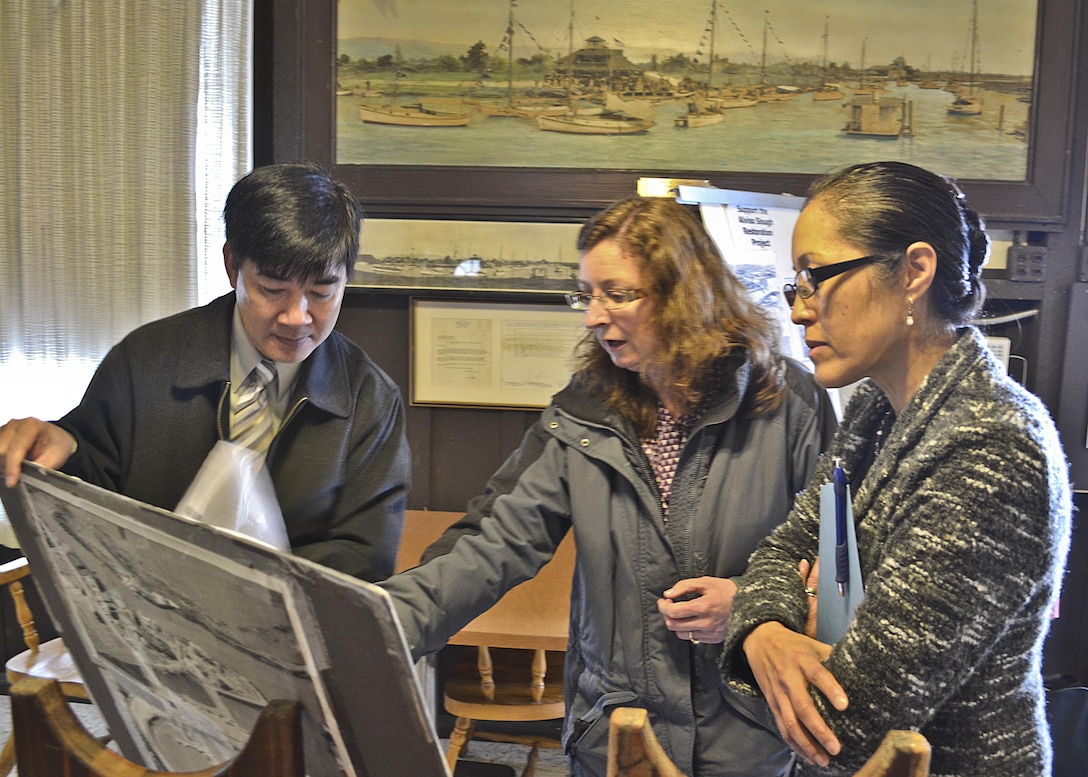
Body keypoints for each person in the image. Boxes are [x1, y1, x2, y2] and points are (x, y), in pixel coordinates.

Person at [381, 196, 838, 777]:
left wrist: (748, 605)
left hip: (752, 744)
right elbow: (491, 544)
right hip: (618, 741)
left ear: (684, 293)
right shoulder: (583, 413)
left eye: (618, 294)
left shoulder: (790, 405)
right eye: (587, 295)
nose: (594, 316)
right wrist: (376, 628)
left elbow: (839, 573)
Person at [719, 161, 1072, 776]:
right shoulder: (876, 411)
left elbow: (847, 720)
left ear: (915, 270)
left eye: (817, 276)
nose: (799, 310)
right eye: (794, 283)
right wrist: (767, 632)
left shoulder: (991, 446)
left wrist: (774, 609)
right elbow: (783, 550)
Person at [0, 162, 410, 581]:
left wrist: (246, 588)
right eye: (272, 290)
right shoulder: (145, 360)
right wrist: (62, 445)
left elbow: (365, 556)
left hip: (293, 634)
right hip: (148, 622)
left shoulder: (369, 399)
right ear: (233, 266)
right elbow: (91, 482)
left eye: (322, 292)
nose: (296, 317)